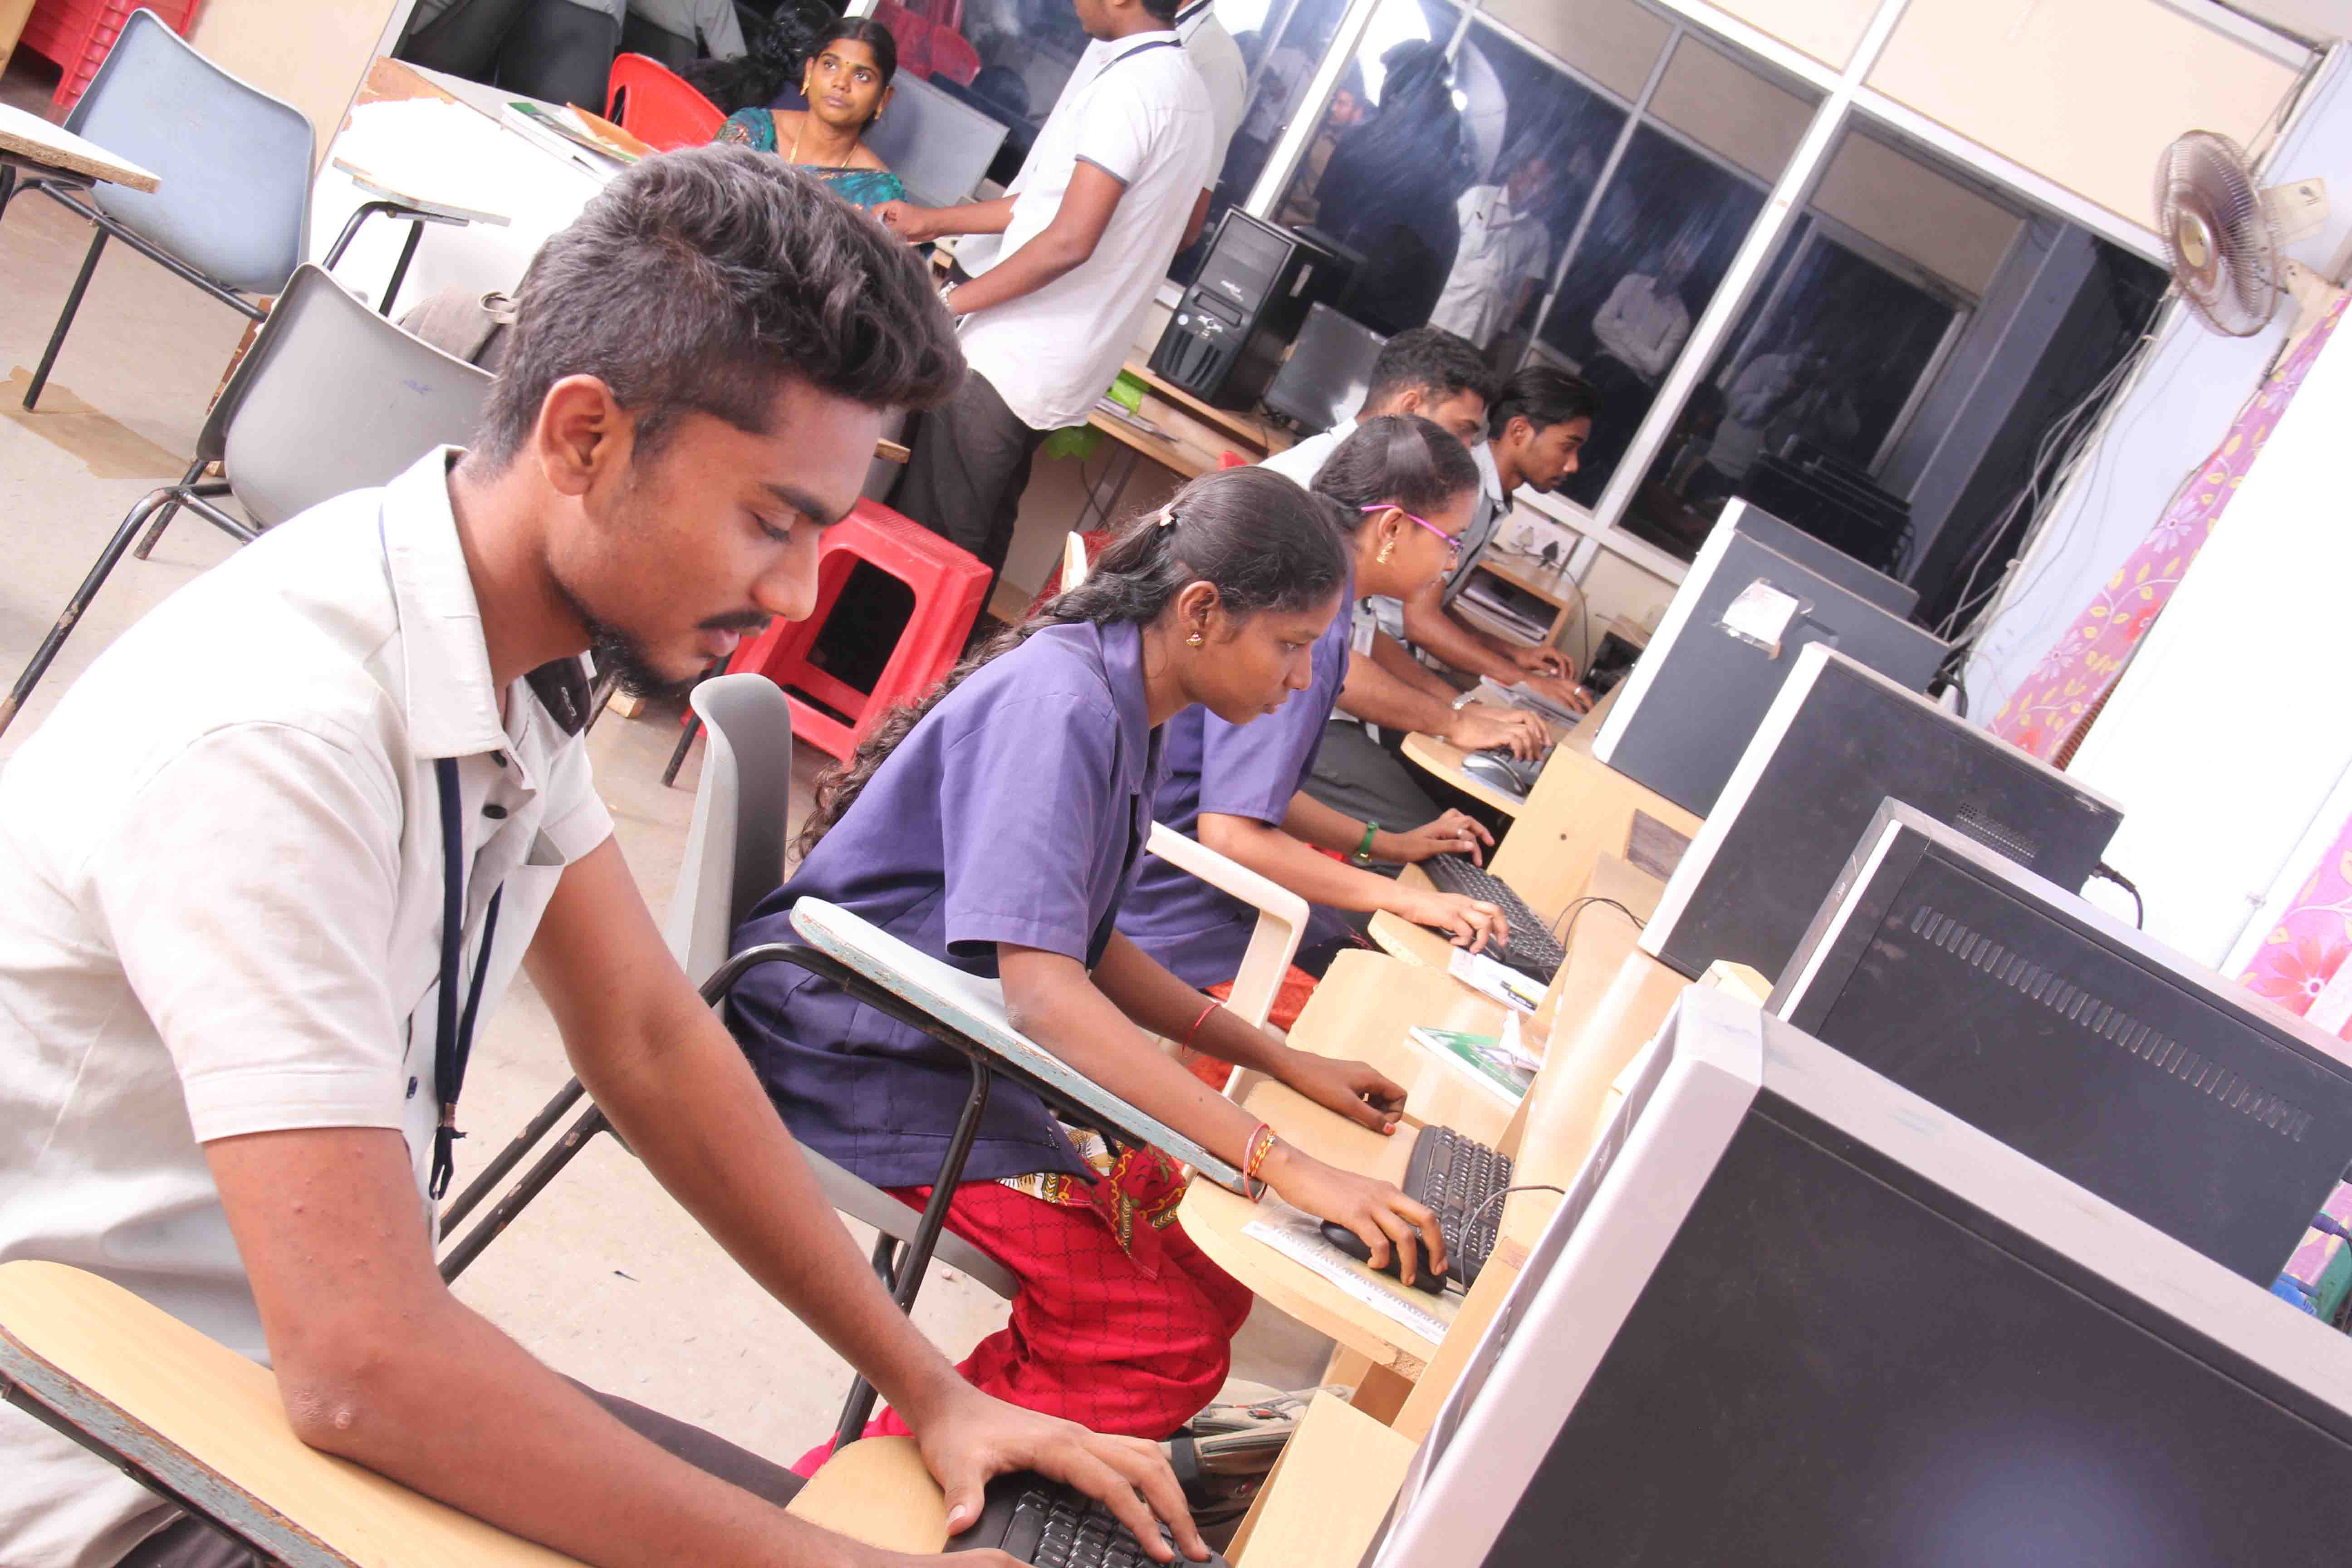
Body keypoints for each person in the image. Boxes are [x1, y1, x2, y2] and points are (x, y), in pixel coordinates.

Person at [0, 148, 1205, 1568]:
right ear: (584, 438)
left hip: (272, 1384)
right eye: (772, 520)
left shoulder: (496, 645)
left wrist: (934, 1391)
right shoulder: (286, 731)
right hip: (104, 1471)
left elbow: (648, 1035)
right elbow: (362, 1367)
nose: (794, 594)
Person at [729, 467, 1448, 1465]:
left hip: (936, 1035)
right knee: (1157, 1339)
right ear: (1201, 612)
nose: (1298, 681)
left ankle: (986, 1473)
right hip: (855, 1055)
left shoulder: (1120, 691)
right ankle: (843, 1505)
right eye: (1290, 645)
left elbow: (1083, 934)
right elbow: (1045, 997)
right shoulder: (1064, 706)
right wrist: (1284, 1162)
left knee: (1208, 1281)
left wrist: (1280, 1059)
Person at [1115, 419, 1510, 1022]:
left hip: (1159, 866)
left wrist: (1384, 844)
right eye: (1450, 541)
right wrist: (1406, 901)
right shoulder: (1309, 630)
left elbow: (1247, 792)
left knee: (1374, 957)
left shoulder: (1303, 591)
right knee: (1390, 1009)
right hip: (1175, 909)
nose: (1452, 562)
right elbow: (1233, 833)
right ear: (1392, 529)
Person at [878, 0, 1215, 585]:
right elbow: (1049, 207)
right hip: (1051, 361)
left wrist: (948, 305)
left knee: (932, 546)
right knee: (979, 538)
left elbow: (1070, 239)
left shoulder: (1136, 88)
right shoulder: (1186, 91)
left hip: (1014, 356)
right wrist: (932, 222)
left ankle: (891, 647)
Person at [1381, 366, 1597, 707]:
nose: (1573, 465)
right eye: (1567, 447)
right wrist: (1525, 680)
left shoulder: (1493, 499)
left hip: (1395, 651)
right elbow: (1421, 622)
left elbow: (1436, 607)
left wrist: (1516, 654)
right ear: (1519, 431)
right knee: (1478, 719)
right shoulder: (1462, 488)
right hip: (1374, 650)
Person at [714, 17, 906, 211]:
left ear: (884, 98)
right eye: (830, 65)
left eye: (862, 76)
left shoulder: (879, 194)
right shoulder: (752, 131)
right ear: (809, 72)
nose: (841, 83)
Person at [1428, 151, 1555, 351]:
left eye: (1544, 187)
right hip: (1443, 313)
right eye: (1534, 180)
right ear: (1517, 174)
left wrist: (1503, 334)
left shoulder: (1539, 235)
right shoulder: (1479, 196)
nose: (1537, 190)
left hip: (1482, 334)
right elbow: (1442, 240)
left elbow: (1526, 288)